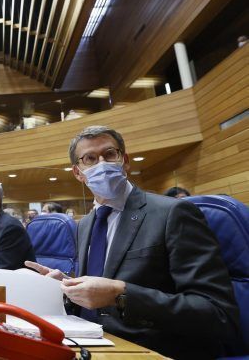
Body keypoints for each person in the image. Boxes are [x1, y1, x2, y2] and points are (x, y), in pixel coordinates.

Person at [26, 125, 239, 359]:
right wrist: (68, 285)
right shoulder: (85, 224)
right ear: (78, 173)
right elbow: (101, 284)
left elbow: (216, 313)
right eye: (90, 158)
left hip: (148, 349)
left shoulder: (174, 213)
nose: (102, 164)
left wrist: (121, 294)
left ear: (124, 160)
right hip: (89, 345)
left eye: (109, 154)